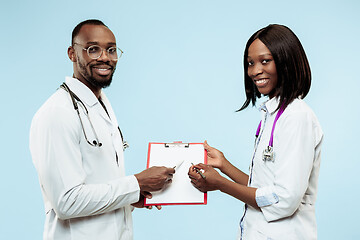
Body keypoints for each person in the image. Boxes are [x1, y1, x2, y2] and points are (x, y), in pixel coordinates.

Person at [29, 19, 175, 240]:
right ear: (72, 53)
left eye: (111, 50)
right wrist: (136, 183)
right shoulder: (57, 113)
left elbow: (99, 182)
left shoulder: (101, 105)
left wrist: (131, 195)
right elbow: (66, 202)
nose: (105, 57)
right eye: (93, 49)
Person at [188, 24, 323, 240]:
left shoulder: (297, 117)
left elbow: (284, 199)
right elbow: (262, 188)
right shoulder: (272, 115)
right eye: (250, 63)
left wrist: (221, 184)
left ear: (286, 60)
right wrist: (224, 166)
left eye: (265, 61)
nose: (254, 71)